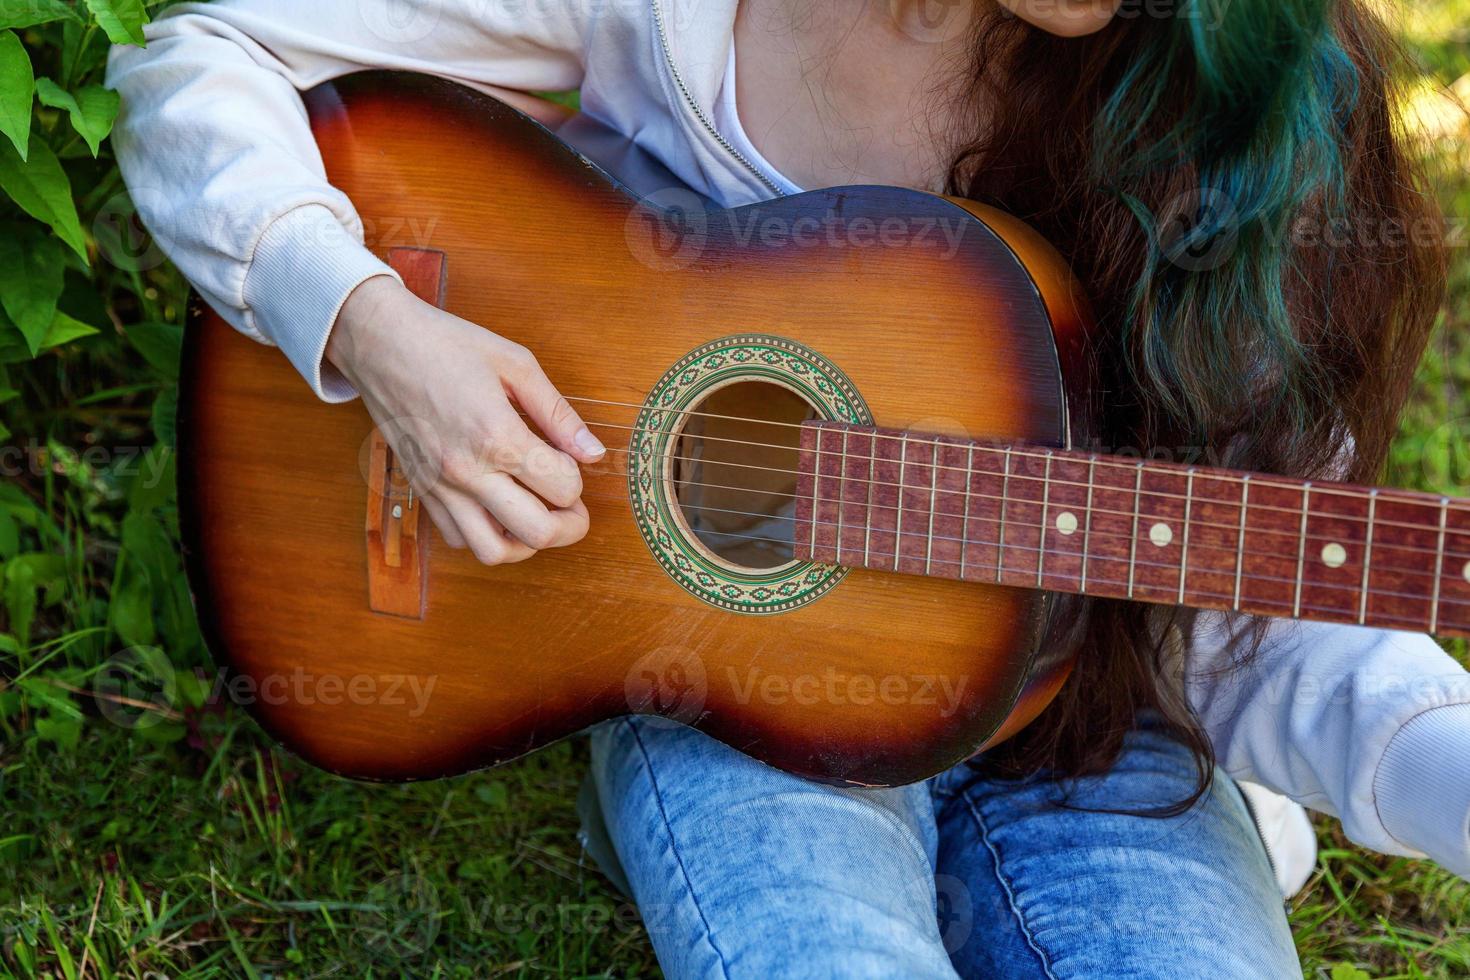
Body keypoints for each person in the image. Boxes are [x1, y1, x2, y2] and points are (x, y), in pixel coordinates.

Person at [108, 1, 1470, 975]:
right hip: (724, 685)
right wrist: (374, 329)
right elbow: (198, 61)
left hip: (1097, 723)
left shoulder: (1256, 106)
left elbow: (1269, 615)